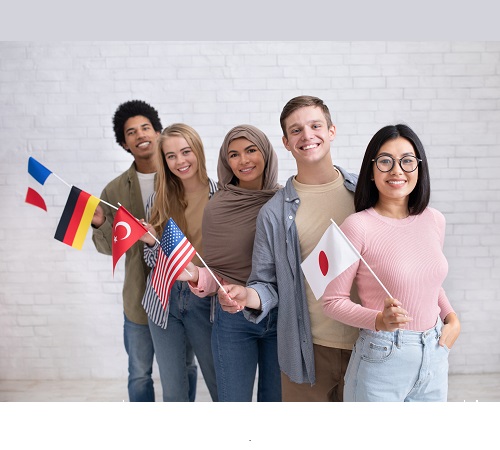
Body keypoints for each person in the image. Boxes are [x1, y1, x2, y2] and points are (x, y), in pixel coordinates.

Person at [218, 96, 360, 401]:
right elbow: (265, 282)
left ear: (332, 130)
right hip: (309, 351)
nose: (307, 135)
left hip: (371, 345)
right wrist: (248, 296)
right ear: (285, 141)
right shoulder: (274, 213)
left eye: (315, 125)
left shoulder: (365, 193)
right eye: (296, 130)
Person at [321, 124, 461, 401]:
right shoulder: (356, 226)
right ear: (371, 171)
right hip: (382, 358)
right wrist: (378, 320)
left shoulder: (434, 220)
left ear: (419, 167)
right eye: (385, 161)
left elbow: (430, 282)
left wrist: (452, 319)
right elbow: (332, 301)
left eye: (407, 161)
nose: (397, 170)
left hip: (434, 353)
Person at [91, 101, 197, 402]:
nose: (140, 135)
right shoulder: (114, 190)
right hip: (139, 298)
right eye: (131, 132)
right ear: (124, 143)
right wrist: (99, 224)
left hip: (180, 293)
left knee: (184, 367)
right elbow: (105, 247)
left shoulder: (181, 177)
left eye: (145, 128)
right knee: (139, 372)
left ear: (158, 131)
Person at [178, 125, 282, 401]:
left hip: (283, 318)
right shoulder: (218, 207)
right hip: (234, 317)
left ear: (266, 152)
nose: (243, 160)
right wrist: (195, 275)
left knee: (277, 405)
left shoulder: (286, 201)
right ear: (226, 161)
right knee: (232, 405)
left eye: (251, 150)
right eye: (234, 154)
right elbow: (216, 273)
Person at [140, 123, 218, 402]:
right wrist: (151, 242)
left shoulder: (221, 196)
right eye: (171, 156)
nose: (180, 161)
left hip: (206, 298)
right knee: (174, 393)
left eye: (185, 151)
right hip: (163, 299)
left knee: (221, 385)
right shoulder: (158, 199)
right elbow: (153, 261)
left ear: (198, 150)